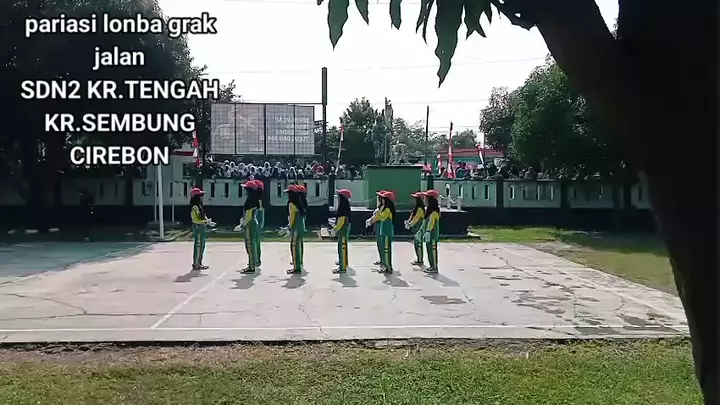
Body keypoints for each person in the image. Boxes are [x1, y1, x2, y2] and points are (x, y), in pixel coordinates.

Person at [369, 190, 396, 273]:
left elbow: (382, 218)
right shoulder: (385, 208)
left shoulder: (387, 209)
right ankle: (386, 266)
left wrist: (377, 213)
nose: (382, 199)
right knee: (385, 249)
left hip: (387, 232)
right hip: (384, 231)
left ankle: (388, 267)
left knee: (386, 250)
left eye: (384, 198)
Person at [239, 180, 260, 273]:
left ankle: (251, 266)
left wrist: (243, 224)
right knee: (252, 243)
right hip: (253, 221)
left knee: (250, 244)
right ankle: (252, 264)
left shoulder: (250, 199)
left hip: (250, 222)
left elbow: (248, 213)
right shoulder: (254, 198)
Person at [286, 184, 306, 274]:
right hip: (300, 226)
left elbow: (292, 217)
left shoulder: (291, 204)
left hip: (296, 227)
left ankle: (296, 268)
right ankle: (297, 264)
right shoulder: (299, 203)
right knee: (298, 246)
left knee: (294, 247)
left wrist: (289, 227)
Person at [331, 189, 352, 273]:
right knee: (343, 247)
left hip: (342, 231)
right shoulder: (345, 206)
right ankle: (343, 262)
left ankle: (342, 268)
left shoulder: (343, 207)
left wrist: (335, 229)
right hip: (344, 230)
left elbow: (341, 221)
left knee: (342, 247)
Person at [189, 187, 210, 270]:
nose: (201, 197)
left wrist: (208, 221)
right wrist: (205, 221)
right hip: (197, 227)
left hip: (202, 227)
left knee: (202, 245)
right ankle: (196, 263)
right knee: (198, 245)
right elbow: (195, 220)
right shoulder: (194, 207)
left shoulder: (199, 206)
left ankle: (199, 262)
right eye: (200, 196)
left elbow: (203, 216)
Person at [422, 189, 441, 273]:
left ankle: (434, 267)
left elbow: (431, 222)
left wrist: (428, 231)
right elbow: (425, 222)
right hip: (429, 234)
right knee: (428, 250)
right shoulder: (428, 211)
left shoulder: (434, 212)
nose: (424, 199)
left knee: (433, 250)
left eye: (426, 198)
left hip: (432, 234)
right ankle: (431, 266)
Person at [406, 191, 426, 266]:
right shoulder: (416, 208)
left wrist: (410, 224)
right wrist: (408, 221)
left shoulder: (420, 209)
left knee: (419, 244)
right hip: (415, 228)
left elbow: (416, 219)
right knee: (416, 244)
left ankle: (420, 260)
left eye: (415, 198)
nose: (413, 200)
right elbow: (412, 217)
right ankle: (418, 259)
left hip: (419, 229)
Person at [369, 190, 386, 265]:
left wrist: (371, 221)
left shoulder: (385, 207)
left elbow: (379, 217)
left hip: (381, 226)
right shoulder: (380, 206)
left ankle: (384, 260)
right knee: (379, 244)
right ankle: (381, 259)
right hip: (378, 226)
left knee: (382, 244)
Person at [252, 180, 265, 266]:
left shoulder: (257, 200)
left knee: (254, 240)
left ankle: (256, 259)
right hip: (258, 217)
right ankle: (256, 258)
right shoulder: (259, 199)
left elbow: (258, 210)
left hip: (256, 218)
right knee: (256, 240)